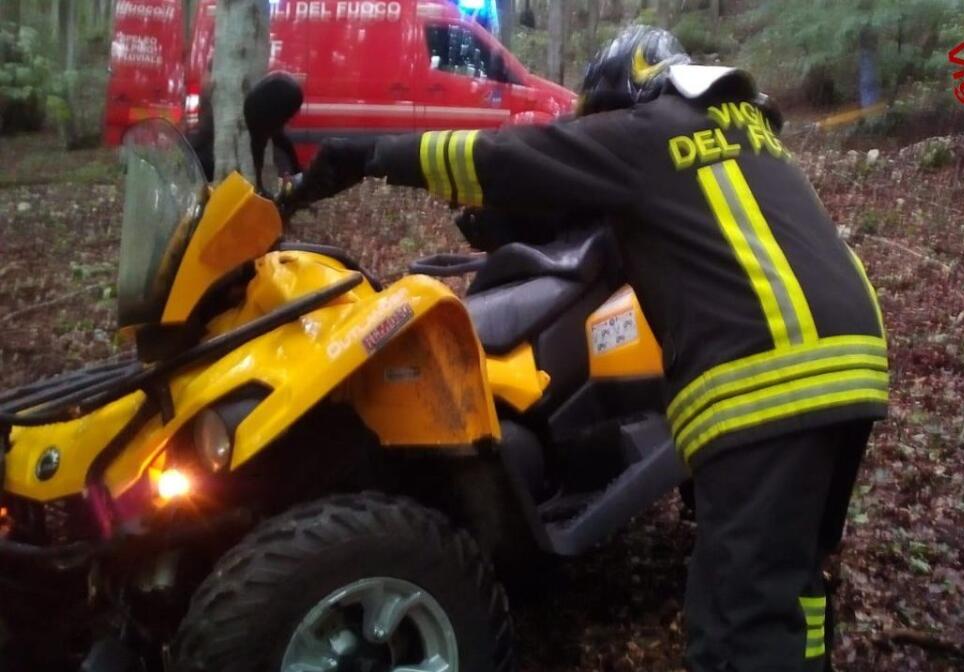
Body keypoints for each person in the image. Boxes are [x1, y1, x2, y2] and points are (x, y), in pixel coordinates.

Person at [293, 25, 889, 672]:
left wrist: (370, 155)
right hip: (852, 363)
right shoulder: (743, 132)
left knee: (736, 619)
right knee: (787, 576)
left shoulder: (641, 133)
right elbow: (628, 217)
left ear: (621, 101)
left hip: (769, 379)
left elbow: (500, 157)